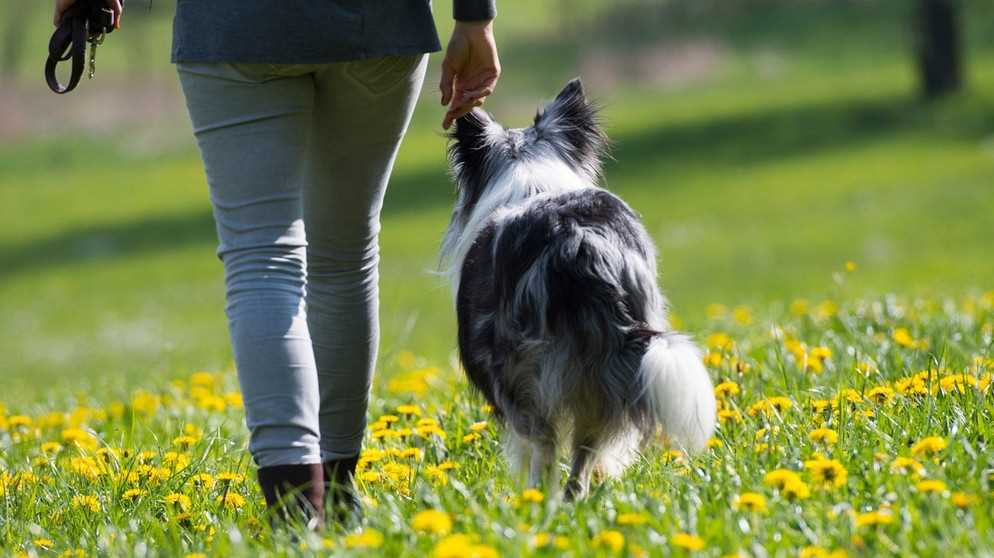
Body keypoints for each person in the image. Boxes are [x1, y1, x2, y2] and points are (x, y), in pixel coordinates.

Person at [52, 0, 501, 528]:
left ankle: (296, 513)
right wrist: (475, 16)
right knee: (346, 253)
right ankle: (336, 497)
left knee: (261, 260)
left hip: (233, 25)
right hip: (376, 24)